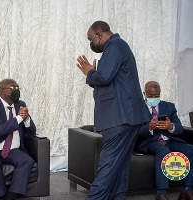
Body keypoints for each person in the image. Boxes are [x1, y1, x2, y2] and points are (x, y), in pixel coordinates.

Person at [76, 20, 150, 200]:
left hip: (120, 118)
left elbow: (104, 77)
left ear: (99, 34)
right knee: (121, 166)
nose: (90, 43)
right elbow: (110, 84)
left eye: (90, 38)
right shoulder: (116, 48)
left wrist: (89, 72)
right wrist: (95, 74)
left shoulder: (115, 46)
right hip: (126, 117)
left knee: (108, 166)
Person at [136, 81, 193, 200]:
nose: (153, 98)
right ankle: (161, 193)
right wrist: (149, 128)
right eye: (150, 96)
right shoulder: (137, 108)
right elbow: (134, 133)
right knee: (164, 151)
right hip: (149, 142)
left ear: (160, 94)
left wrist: (170, 126)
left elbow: (180, 128)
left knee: (191, 149)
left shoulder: (169, 107)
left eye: (156, 96)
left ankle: (187, 190)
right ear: (144, 94)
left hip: (170, 140)